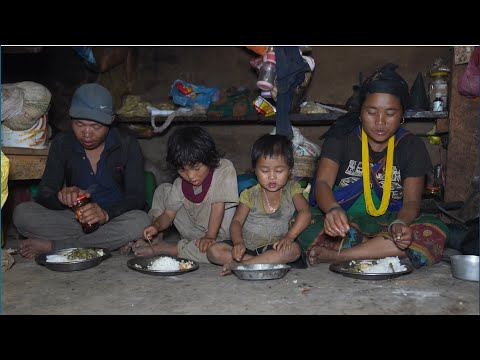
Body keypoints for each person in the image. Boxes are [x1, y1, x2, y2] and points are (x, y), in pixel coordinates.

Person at [298, 63, 448, 268]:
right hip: (344, 221)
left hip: (390, 221)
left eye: (390, 113)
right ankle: (380, 250)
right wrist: (332, 210)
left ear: (402, 115)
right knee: (302, 224)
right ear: (360, 112)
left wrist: (401, 224)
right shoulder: (341, 137)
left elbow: (412, 202)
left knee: (434, 231)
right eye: (371, 112)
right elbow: (323, 182)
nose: (380, 121)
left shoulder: (411, 146)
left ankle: (338, 255)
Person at [13, 83, 150, 258]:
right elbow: (44, 193)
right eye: (79, 124)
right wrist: (61, 198)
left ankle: (55, 246)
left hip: (116, 218)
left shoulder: (127, 144)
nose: (86, 133)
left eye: (95, 126)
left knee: (140, 221)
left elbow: (136, 197)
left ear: (111, 121)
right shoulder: (62, 144)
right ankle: (109, 242)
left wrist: (106, 215)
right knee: (22, 214)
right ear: (71, 120)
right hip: (77, 221)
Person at [130, 126, 239, 264]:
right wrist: (156, 226)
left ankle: (168, 249)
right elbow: (168, 214)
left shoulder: (223, 168)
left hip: (219, 234)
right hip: (193, 232)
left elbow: (218, 205)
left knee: (216, 251)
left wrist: (210, 236)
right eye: (182, 170)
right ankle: (157, 238)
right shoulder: (179, 183)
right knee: (163, 190)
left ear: (208, 158)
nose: (191, 176)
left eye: (196, 168)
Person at [207, 134, 311, 275]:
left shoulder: (292, 190)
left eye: (279, 171)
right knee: (213, 251)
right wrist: (238, 243)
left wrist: (289, 237)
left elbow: (305, 212)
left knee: (294, 250)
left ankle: (243, 265)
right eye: (265, 171)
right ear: (255, 171)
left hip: (276, 247)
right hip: (247, 248)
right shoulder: (249, 194)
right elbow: (237, 222)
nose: (272, 176)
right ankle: (261, 262)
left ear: (290, 170)